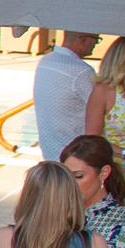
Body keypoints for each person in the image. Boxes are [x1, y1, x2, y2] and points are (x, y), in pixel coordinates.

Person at [31, 30, 103, 164]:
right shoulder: (81, 71)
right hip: (75, 156)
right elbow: (103, 108)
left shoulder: (45, 61)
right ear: (84, 39)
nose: (96, 44)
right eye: (96, 39)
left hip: (50, 151)